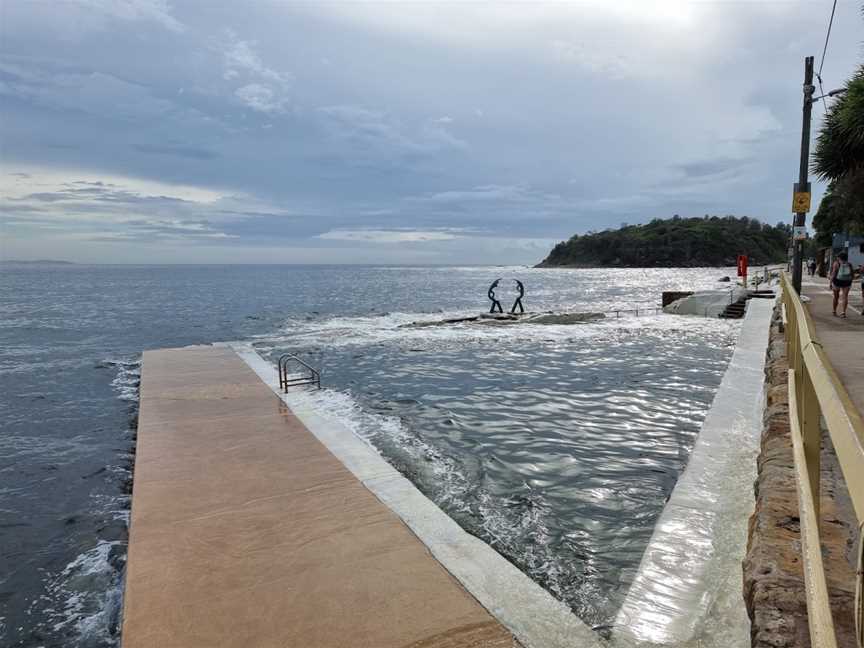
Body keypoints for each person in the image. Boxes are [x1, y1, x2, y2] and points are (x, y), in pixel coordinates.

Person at [830, 251, 853, 318]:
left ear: (839, 257)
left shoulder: (836, 264)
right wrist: (850, 280)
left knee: (836, 296)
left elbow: (833, 274)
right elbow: (852, 274)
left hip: (837, 281)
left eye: (838, 257)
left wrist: (830, 283)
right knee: (845, 297)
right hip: (847, 281)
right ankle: (843, 312)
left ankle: (834, 311)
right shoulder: (849, 264)